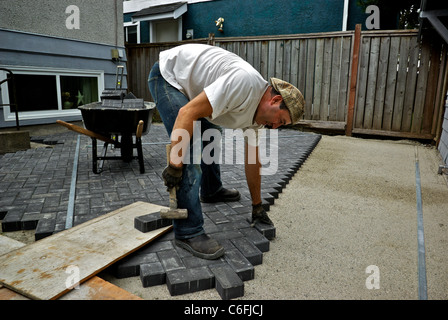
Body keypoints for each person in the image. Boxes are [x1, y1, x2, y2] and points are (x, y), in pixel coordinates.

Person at [148, 43, 304, 260]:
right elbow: (187, 112)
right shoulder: (243, 84)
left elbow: (253, 160)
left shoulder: (259, 120)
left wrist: (257, 206)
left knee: (211, 134)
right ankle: (188, 231)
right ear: (275, 100)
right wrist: (175, 166)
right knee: (190, 148)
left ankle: (211, 190)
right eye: (281, 120)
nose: (276, 127)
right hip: (170, 77)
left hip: (195, 88)